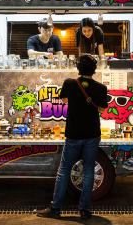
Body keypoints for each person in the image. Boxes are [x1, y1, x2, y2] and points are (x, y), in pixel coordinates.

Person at [35, 54, 108, 220]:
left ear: (78, 68)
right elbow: (102, 110)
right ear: (94, 69)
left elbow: (64, 100)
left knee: (64, 170)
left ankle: (56, 208)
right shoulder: (101, 88)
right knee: (89, 169)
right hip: (92, 134)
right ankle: (84, 210)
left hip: (74, 133)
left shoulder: (70, 83)